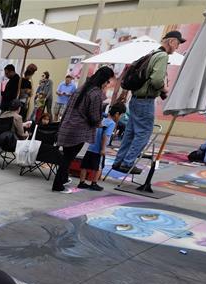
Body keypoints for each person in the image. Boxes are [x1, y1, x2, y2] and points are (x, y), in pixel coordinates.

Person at [113, 31, 186, 174]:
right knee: (144, 133)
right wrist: (164, 88)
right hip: (145, 100)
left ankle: (119, 161)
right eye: (177, 43)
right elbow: (156, 80)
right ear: (171, 42)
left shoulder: (152, 54)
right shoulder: (162, 56)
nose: (177, 47)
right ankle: (127, 163)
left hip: (135, 99)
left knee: (130, 132)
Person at [52, 66, 115, 193]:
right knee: (68, 158)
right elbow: (94, 116)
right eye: (108, 81)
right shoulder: (95, 93)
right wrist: (99, 123)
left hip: (67, 127)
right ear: (104, 80)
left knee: (67, 156)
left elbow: (69, 108)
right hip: (78, 130)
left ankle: (63, 179)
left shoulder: (82, 88)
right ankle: (58, 185)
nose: (108, 84)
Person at [78, 103, 125, 191]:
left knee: (85, 165)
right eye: (121, 115)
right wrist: (103, 149)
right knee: (99, 167)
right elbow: (105, 136)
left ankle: (82, 182)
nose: (121, 117)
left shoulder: (103, 120)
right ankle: (94, 183)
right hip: (98, 149)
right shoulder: (111, 123)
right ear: (117, 114)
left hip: (91, 146)